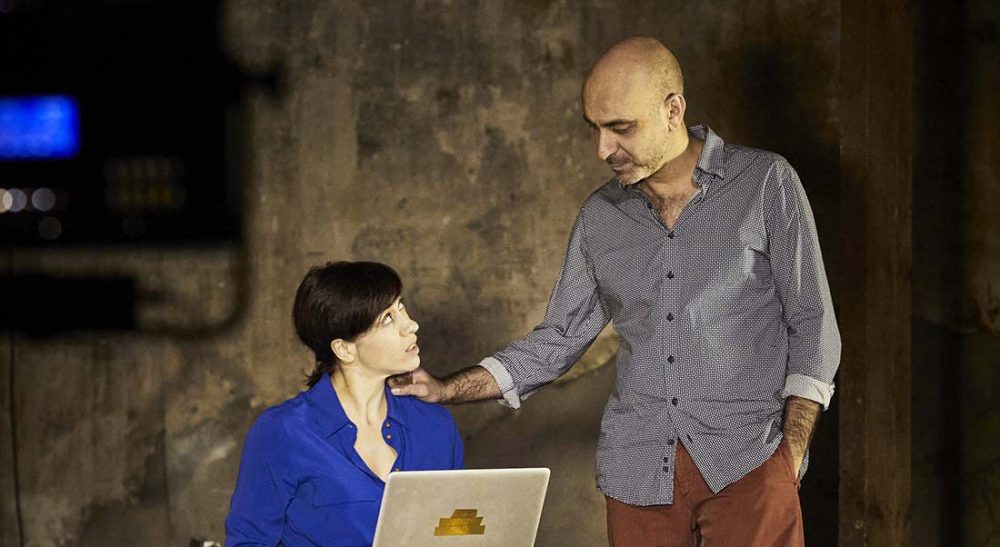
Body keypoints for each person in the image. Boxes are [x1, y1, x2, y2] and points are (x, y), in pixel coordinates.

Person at [391, 36, 840, 546]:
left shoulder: (765, 184)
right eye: (595, 129)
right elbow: (557, 339)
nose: (603, 149)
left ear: (673, 111)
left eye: (620, 129)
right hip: (638, 474)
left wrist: (793, 450)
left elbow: (812, 320)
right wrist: (448, 388)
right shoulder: (600, 218)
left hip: (750, 464)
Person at [225, 261, 464, 547]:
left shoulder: (434, 424)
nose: (411, 325)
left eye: (401, 306)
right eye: (388, 318)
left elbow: (457, 533)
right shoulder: (283, 432)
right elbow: (248, 542)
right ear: (344, 349)